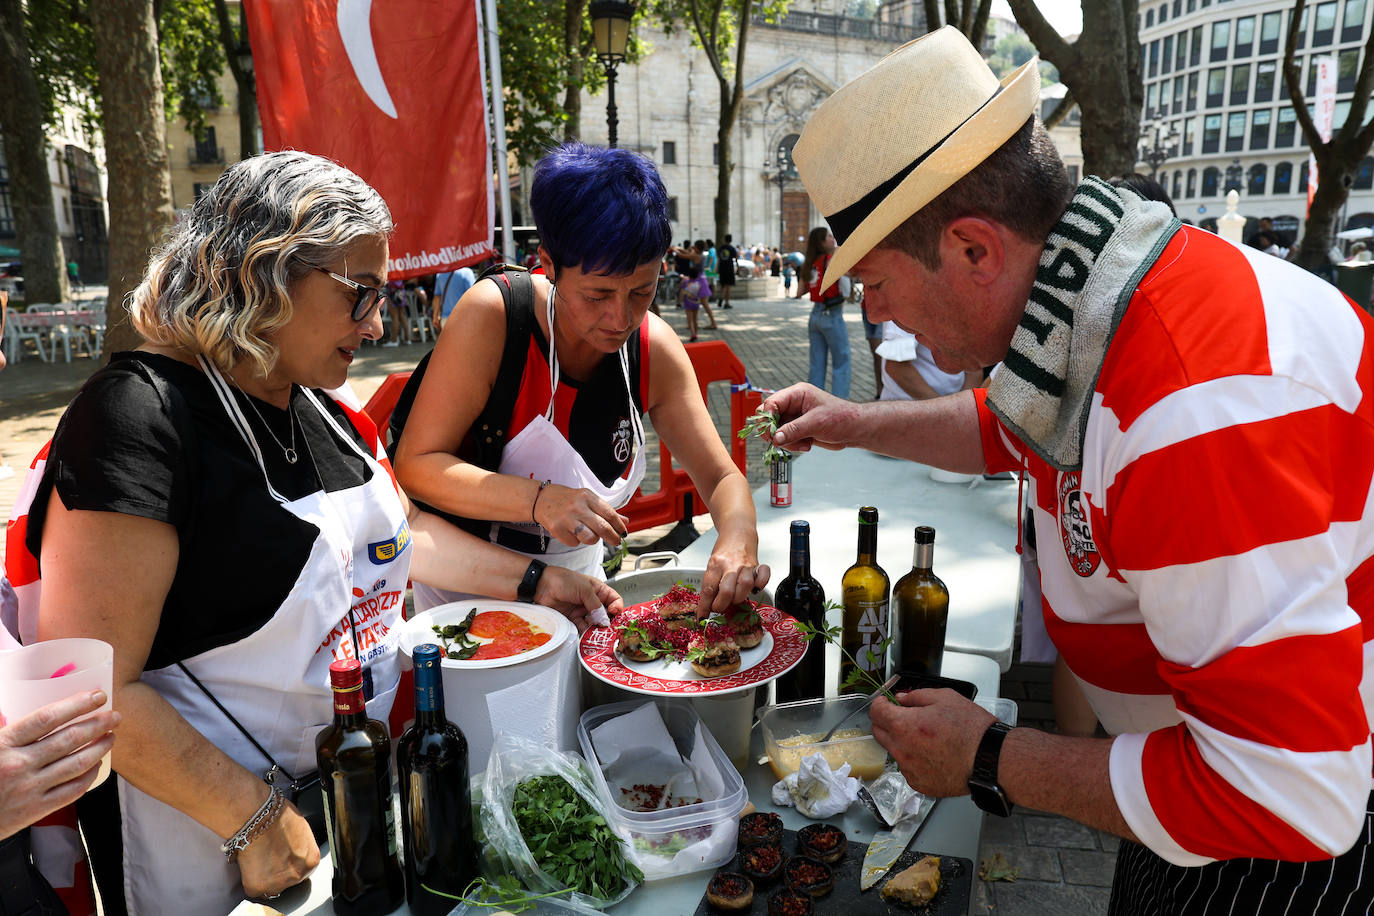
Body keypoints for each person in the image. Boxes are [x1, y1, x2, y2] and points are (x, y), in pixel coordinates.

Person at [765, 27, 1374, 913]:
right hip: (1185, 783)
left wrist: (989, 757)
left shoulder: (1193, 407)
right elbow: (1009, 425)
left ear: (975, 250)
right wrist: (857, 423)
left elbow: (1290, 795)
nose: (871, 310)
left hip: (1277, 848)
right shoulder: (1088, 312)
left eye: (876, 281)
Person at [8, 151, 620, 916]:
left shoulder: (321, 405)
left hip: (351, 803)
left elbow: (395, 544)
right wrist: (252, 817)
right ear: (263, 271)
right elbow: (93, 686)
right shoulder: (138, 417)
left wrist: (535, 581)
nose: (376, 322)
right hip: (205, 839)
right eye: (359, 294)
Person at [393, 142, 768, 618]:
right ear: (548, 266)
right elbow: (417, 464)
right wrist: (539, 501)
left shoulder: (653, 346)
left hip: (583, 590)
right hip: (470, 596)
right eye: (597, 295)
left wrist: (737, 536)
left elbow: (720, 478)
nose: (621, 317)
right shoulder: (494, 318)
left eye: (642, 291)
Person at [795, 226, 851, 398]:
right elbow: (847, 290)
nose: (832, 237)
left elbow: (799, 292)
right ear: (821, 242)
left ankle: (813, 403)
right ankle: (839, 404)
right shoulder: (832, 261)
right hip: (832, 315)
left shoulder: (810, 263)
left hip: (815, 316)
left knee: (817, 364)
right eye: (828, 236)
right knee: (841, 362)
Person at [432, 265, 476, 334]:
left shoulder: (440, 274)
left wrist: (435, 316)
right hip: (464, 319)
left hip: (446, 320)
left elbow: (437, 297)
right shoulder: (467, 272)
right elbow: (473, 296)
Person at [681, 271, 710, 341]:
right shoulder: (699, 283)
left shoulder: (686, 282)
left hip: (688, 303)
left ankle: (693, 334)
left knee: (690, 320)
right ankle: (696, 333)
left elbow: (682, 288)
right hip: (696, 303)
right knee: (695, 319)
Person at [717, 234, 738, 308]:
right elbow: (735, 258)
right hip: (729, 269)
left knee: (723, 285)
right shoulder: (732, 248)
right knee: (728, 286)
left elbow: (719, 258)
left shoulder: (721, 248)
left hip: (722, 268)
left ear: (724, 239)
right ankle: (726, 302)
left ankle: (720, 297)